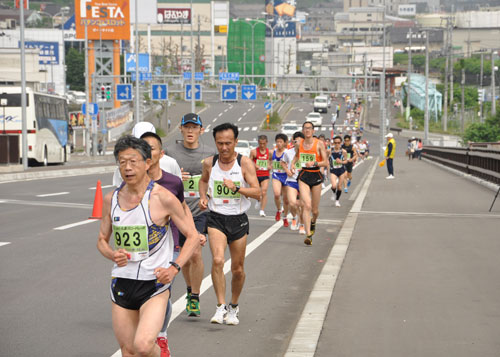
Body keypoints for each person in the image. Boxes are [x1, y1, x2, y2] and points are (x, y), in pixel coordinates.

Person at [97, 135, 199, 357]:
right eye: (122, 162)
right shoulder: (111, 199)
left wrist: (174, 268)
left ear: (147, 163)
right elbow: (102, 240)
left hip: (154, 283)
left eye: (133, 161)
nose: (128, 167)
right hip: (122, 281)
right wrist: (113, 254)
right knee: (129, 350)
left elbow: (192, 236)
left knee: (143, 345)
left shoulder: (163, 197)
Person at [141, 131, 200, 354]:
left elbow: (183, 208)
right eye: (143, 147)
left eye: (152, 148)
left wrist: (194, 233)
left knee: (161, 290)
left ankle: (162, 335)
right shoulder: (133, 180)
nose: (147, 152)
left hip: (169, 246)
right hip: (139, 252)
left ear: (160, 153)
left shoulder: (172, 182)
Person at [199, 123, 260, 326]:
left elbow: (257, 192)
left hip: (238, 219)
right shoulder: (209, 163)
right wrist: (203, 197)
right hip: (216, 217)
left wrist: (237, 189)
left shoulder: (245, 164)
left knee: (237, 269)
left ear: (235, 142)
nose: (224, 148)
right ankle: (220, 306)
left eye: (228, 143)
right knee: (217, 260)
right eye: (220, 143)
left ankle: (233, 306)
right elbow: (203, 180)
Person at [164, 113, 216, 318]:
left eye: (195, 128)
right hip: (177, 212)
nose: (191, 131)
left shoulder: (211, 153)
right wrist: (175, 177)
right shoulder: (169, 152)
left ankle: (194, 296)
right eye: (188, 127)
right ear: (181, 129)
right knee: (184, 257)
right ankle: (189, 290)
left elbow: (218, 176)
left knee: (195, 253)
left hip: (200, 210)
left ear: (201, 130)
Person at [291, 121, 328, 245]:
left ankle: (313, 221)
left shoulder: (319, 144)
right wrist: (292, 164)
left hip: (316, 175)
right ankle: (308, 235)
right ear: (303, 130)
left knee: (315, 210)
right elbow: (297, 156)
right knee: (306, 205)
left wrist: (315, 163)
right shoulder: (299, 144)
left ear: (313, 131)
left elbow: (325, 162)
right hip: (304, 175)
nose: (307, 130)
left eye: (309, 128)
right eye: (305, 128)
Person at [113, 122, 181, 187]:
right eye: (139, 147)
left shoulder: (170, 163)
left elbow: (179, 190)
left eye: (150, 147)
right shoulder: (124, 167)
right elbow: (119, 194)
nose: (145, 151)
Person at [281, 131, 304, 233]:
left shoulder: (307, 153)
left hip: (304, 181)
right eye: (296, 141)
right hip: (291, 180)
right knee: (292, 203)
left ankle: (302, 225)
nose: (298, 142)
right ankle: (294, 218)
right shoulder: (288, 152)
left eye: (300, 140)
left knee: (302, 205)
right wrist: (287, 171)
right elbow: (282, 162)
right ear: (293, 141)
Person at [249, 135, 271, 217]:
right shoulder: (254, 152)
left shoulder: (270, 152)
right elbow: (249, 161)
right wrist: (254, 165)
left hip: (265, 174)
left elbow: (272, 161)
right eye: (260, 143)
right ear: (258, 143)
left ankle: (262, 210)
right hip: (256, 175)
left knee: (264, 191)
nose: (262, 146)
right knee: (256, 192)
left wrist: (270, 166)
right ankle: (258, 199)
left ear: (267, 143)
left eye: (264, 144)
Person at [271, 133, 290, 226]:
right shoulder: (272, 152)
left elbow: (293, 163)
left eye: (280, 142)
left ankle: (285, 217)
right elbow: (268, 161)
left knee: (286, 200)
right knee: (277, 194)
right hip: (276, 175)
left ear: (284, 143)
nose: (278, 143)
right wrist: (268, 165)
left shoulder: (288, 152)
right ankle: (279, 210)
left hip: (286, 176)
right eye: (277, 141)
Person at [329, 136, 348, 207]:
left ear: (341, 143)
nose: (337, 144)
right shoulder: (330, 150)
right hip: (333, 170)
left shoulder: (343, 151)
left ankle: (337, 201)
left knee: (339, 187)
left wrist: (341, 161)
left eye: (338, 143)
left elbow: (346, 161)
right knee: (334, 186)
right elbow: (325, 158)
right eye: (335, 143)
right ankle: (334, 192)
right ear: (333, 143)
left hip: (341, 170)